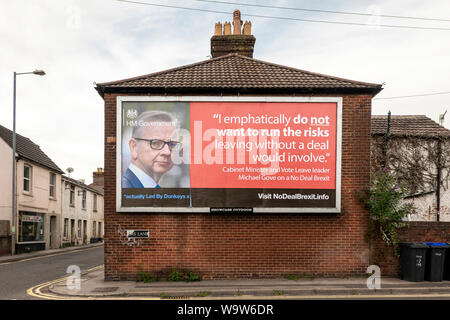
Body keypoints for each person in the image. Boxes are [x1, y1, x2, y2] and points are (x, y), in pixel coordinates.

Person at [122, 110, 182, 188]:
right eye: (156, 143)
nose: (167, 152)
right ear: (134, 147)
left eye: (172, 144)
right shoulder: (125, 190)